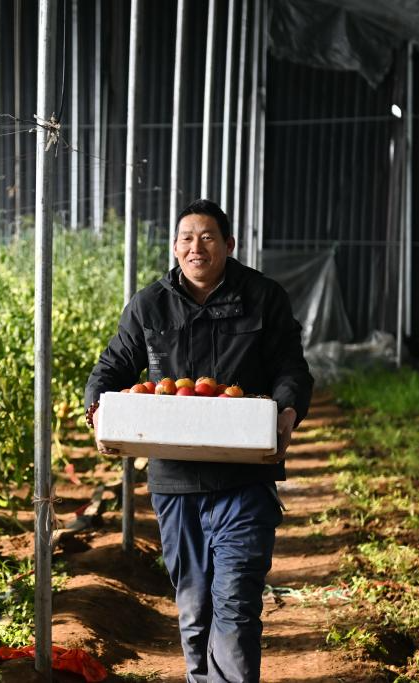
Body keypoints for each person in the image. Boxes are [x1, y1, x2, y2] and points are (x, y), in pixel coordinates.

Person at [83, 199, 313, 683]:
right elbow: (112, 368)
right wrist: (98, 412)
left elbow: (290, 367)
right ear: (174, 247)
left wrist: (288, 413)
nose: (196, 247)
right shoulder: (150, 305)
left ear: (229, 244)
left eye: (207, 237)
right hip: (176, 484)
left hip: (244, 481)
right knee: (194, 607)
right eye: (186, 238)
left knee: (236, 603)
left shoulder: (263, 297)